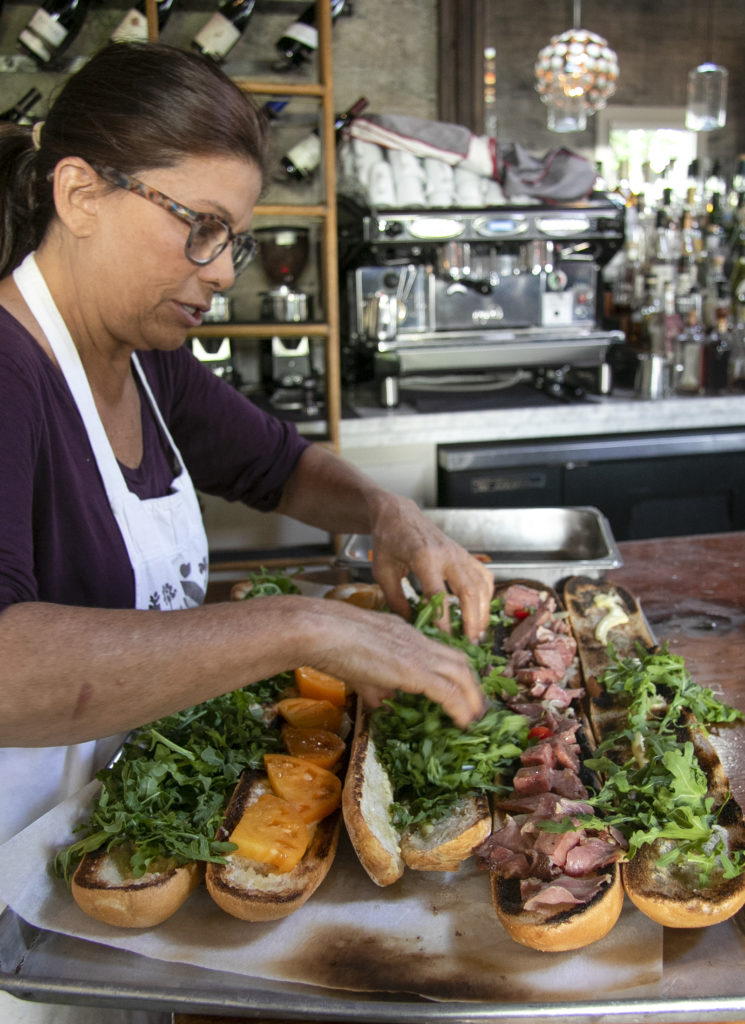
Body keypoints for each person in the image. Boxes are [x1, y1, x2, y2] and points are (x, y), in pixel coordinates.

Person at [0, 38, 494, 853]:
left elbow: (281, 467)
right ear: (80, 194)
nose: (225, 271)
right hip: (18, 861)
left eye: (235, 240)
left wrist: (388, 512)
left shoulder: (149, 361)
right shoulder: (11, 371)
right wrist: (298, 628)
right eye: (203, 227)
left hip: (118, 825)